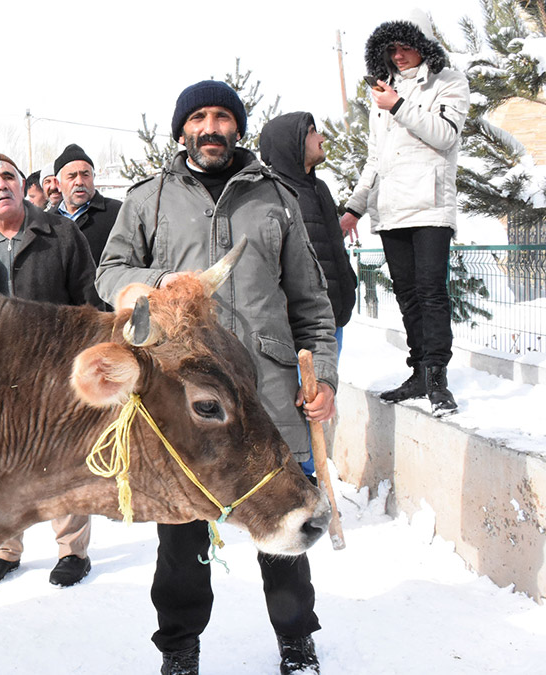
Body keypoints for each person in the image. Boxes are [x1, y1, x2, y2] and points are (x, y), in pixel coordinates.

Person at [96, 81, 338, 675]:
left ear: (238, 128)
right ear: (182, 131)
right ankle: (179, 649)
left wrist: (323, 374)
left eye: (223, 117)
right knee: (181, 540)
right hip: (186, 405)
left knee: (284, 522)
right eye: (199, 118)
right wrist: (162, 284)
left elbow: (312, 302)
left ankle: (295, 641)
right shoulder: (148, 199)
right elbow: (109, 272)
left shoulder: (275, 197)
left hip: (269, 396)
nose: (211, 128)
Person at [0, 153, 102, 589]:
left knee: (65, 462)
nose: (1, 184)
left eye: (8, 176)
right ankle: (4, 549)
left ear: (21, 182)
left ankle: (73, 551)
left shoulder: (61, 234)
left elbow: (89, 302)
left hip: (55, 373)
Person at [340, 10, 469, 417]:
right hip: (391, 209)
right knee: (408, 295)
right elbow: (375, 157)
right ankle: (418, 371)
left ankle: (437, 378)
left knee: (432, 293)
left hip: (430, 206)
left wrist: (397, 104)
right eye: (391, 48)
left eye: (406, 46)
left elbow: (445, 135)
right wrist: (355, 208)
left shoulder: (450, 82)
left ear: (424, 44)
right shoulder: (384, 90)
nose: (398, 56)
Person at [260, 112, 358, 351]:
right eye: (313, 132)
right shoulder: (270, 193)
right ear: (290, 142)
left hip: (333, 319)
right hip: (296, 330)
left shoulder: (319, 188)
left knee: (326, 386)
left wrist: (348, 284)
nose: (322, 138)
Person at [53, 143, 122, 262]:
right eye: (71, 176)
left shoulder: (117, 212)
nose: (79, 182)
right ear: (58, 183)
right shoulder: (47, 221)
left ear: (94, 177)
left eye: (85, 175)